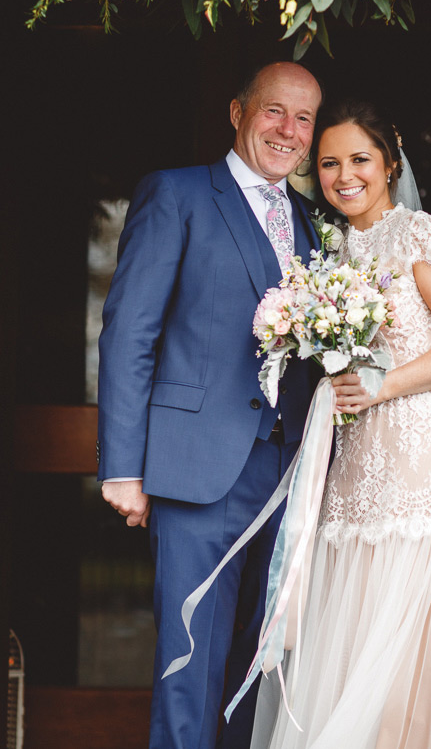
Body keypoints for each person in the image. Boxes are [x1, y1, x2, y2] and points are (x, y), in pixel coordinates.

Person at [251, 100, 431, 749]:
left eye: (359, 160)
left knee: (411, 627)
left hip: (413, 452)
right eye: (329, 163)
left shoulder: (418, 234)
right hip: (353, 458)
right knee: (353, 613)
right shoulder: (335, 249)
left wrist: (382, 385)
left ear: (390, 165)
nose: (344, 175)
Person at [97, 61, 323, 749]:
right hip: (198, 474)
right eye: (274, 111)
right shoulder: (178, 195)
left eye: (304, 118)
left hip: (289, 479)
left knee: (261, 671)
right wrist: (121, 469)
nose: (288, 130)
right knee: (188, 667)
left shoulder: (311, 222)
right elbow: (129, 333)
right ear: (238, 112)